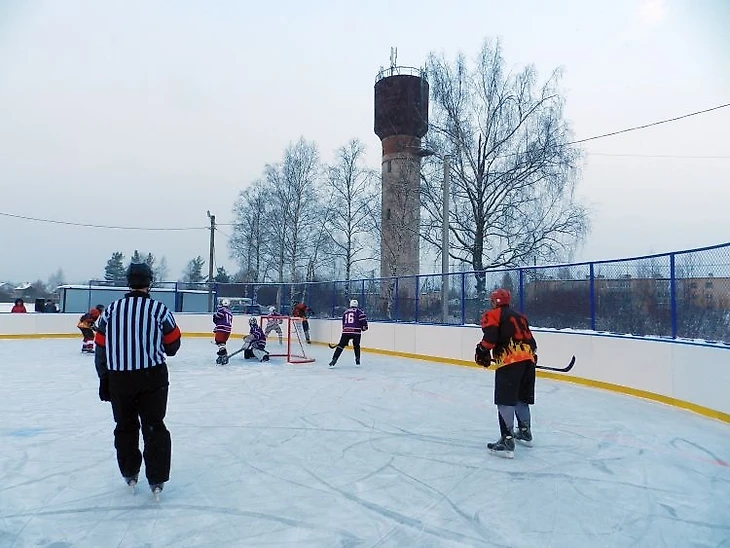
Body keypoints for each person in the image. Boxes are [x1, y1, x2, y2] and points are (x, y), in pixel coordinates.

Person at [94, 262, 181, 499]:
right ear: (150, 282)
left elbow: (100, 348)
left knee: (125, 427)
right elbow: (173, 345)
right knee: (154, 426)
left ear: (128, 282)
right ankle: (157, 478)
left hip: (119, 379)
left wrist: (104, 378)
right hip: (152, 377)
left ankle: (130, 472)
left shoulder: (110, 311)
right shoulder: (159, 310)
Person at [475, 288, 537, 459]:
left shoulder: (493, 315)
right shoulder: (520, 317)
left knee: (505, 401)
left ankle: (507, 439)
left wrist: (481, 351)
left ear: (495, 301)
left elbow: (490, 339)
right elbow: (532, 341)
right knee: (520, 398)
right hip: (528, 361)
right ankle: (525, 432)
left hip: (509, 362)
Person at [329, 299, 368, 368]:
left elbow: (343, 323)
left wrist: (344, 331)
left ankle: (334, 358)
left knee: (340, 346)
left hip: (346, 331)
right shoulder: (359, 312)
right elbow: (363, 321)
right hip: (356, 332)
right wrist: (364, 327)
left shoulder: (345, 312)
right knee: (356, 345)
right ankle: (357, 359)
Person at [213, 298, 233, 365]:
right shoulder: (230, 312)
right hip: (228, 330)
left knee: (218, 341)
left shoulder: (221, 310)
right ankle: (222, 355)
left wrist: (214, 316)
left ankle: (223, 355)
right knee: (223, 342)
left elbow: (219, 316)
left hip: (222, 328)